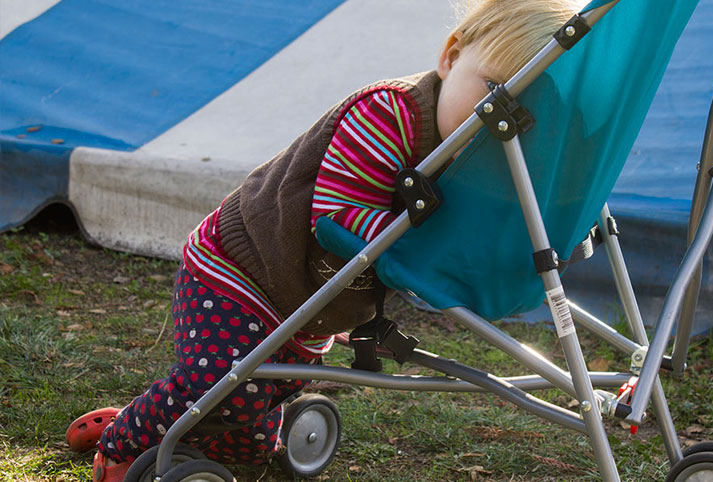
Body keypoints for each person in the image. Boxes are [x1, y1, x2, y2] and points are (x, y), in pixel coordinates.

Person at [65, 1, 581, 479]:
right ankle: (124, 440)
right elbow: (338, 214)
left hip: (312, 300)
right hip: (242, 269)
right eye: (492, 90)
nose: (499, 122)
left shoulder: (476, 162)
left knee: (255, 429)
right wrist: (430, 245)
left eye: (520, 113)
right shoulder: (389, 113)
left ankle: (160, 415)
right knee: (223, 386)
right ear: (450, 56)